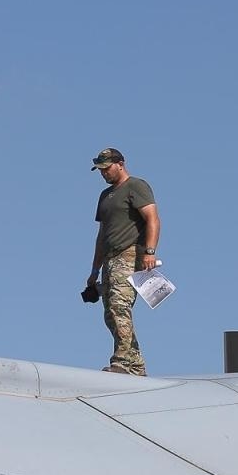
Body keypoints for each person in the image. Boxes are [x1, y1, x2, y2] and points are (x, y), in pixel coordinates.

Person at [81, 147, 160, 375]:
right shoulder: (105, 196)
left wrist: (150, 252)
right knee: (110, 314)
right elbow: (102, 234)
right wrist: (94, 270)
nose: (103, 173)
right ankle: (135, 364)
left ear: (120, 164)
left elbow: (153, 218)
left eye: (106, 168)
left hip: (130, 254)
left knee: (119, 307)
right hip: (109, 260)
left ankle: (124, 362)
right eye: (100, 170)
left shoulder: (136, 186)